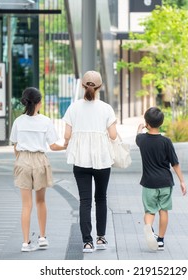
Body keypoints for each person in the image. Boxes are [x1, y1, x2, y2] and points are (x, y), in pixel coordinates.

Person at [63, 70, 117, 253]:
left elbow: (67, 135)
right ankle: (101, 238)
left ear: (82, 86)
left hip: (80, 160)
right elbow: (113, 135)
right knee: (101, 198)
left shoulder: (73, 108)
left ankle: (87, 242)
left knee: (85, 201)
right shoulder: (106, 108)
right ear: (100, 87)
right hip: (102, 159)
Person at [9, 87, 66, 252]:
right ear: (39, 103)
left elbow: (15, 145)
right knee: (40, 201)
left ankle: (25, 243)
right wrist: (65, 146)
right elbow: (53, 146)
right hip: (40, 160)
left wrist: (21, 159)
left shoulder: (18, 121)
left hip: (23, 160)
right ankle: (42, 237)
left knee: (26, 205)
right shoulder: (46, 121)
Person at [136, 107, 187, 251]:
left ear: (147, 123)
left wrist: (140, 128)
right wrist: (182, 181)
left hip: (148, 182)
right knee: (163, 210)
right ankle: (161, 240)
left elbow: (137, 136)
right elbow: (175, 163)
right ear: (161, 123)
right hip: (165, 182)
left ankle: (148, 227)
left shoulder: (141, 140)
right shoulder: (166, 142)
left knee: (149, 211)